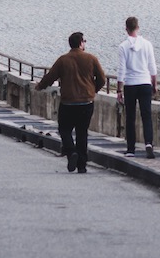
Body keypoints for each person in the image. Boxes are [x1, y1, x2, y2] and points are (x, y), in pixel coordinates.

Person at [36, 32, 107, 174]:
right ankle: (82, 165)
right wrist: (93, 90)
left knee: (64, 130)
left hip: (68, 103)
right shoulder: (91, 58)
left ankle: (71, 152)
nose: (85, 43)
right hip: (86, 103)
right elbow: (102, 79)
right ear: (81, 43)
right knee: (82, 133)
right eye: (84, 41)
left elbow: (50, 77)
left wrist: (40, 86)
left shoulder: (63, 60)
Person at [116, 16, 158, 159]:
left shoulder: (123, 46)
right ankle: (148, 143)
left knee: (130, 117)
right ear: (138, 28)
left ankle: (131, 149)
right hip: (145, 83)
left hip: (130, 85)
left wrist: (119, 89)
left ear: (126, 29)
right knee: (146, 116)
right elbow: (152, 67)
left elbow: (121, 70)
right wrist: (154, 84)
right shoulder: (147, 44)